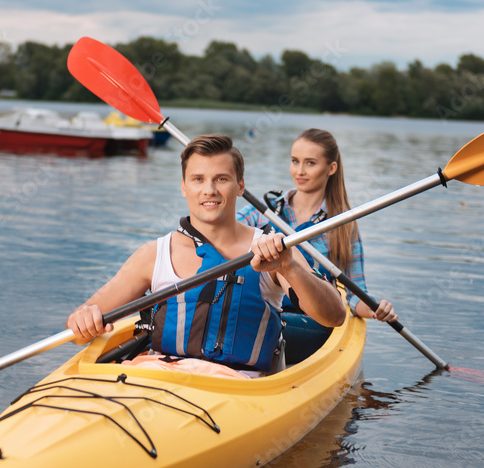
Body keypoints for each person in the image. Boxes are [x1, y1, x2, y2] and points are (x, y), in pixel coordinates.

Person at [66, 134, 346, 376]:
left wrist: (289, 268)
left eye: (221, 179)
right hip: (155, 377)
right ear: (184, 187)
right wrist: (82, 319)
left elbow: (334, 316)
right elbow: (76, 330)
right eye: (198, 179)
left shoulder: (273, 250)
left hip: (234, 389)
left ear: (240, 186)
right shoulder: (153, 254)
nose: (209, 190)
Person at [237, 128, 397, 323]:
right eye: (295, 161)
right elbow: (220, 234)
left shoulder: (342, 226)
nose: (300, 171)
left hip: (309, 319)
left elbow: (356, 296)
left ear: (331, 168)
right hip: (261, 307)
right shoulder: (263, 209)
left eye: (310, 163)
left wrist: (375, 309)